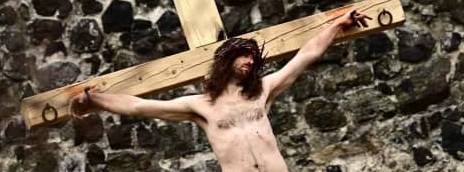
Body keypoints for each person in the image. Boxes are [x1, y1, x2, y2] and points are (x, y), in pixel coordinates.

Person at [69, 9, 372, 171]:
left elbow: (305, 55)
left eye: (254, 57)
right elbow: (137, 106)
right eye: (244, 55)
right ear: (227, 60)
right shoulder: (201, 106)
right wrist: (94, 98)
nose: (250, 61)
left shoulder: (263, 90)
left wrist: (337, 25)